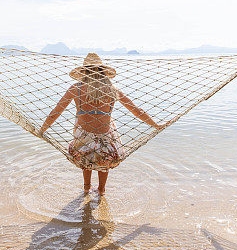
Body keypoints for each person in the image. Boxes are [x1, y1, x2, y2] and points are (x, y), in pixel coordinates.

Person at [39, 53, 166, 195]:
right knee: (103, 158)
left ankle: (86, 188)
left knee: (86, 154)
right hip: (106, 145)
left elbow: (56, 111)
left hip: (82, 144)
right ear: (103, 71)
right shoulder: (112, 90)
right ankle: (101, 190)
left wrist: (42, 130)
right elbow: (136, 110)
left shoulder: (76, 88)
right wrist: (156, 125)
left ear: (84, 72)